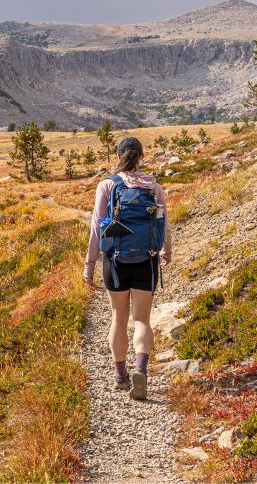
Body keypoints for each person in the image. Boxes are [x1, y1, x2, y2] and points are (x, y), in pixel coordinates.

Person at [83, 136, 172, 400]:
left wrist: (89, 265)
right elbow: (164, 224)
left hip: (116, 261)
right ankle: (141, 371)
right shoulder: (153, 187)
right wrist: (167, 251)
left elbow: (97, 227)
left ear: (118, 155)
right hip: (146, 259)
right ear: (141, 156)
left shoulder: (107, 185)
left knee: (118, 319)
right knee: (142, 319)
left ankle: (121, 377)